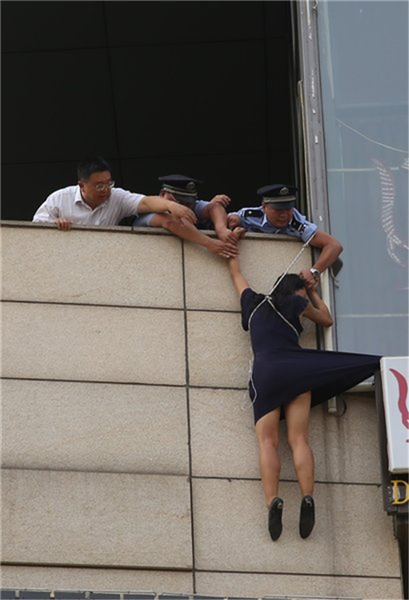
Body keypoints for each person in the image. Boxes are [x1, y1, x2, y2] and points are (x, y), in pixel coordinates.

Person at [227, 250, 381, 541]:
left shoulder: (253, 303)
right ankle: (307, 495)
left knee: (267, 441)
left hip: (267, 371)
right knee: (298, 439)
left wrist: (231, 246)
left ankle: (273, 500)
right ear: (294, 290)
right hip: (298, 370)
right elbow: (326, 320)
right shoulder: (296, 301)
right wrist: (312, 292)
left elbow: (236, 274)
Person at [32, 158, 197, 231]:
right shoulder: (60, 198)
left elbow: (146, 202)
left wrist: (171, 205)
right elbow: (35, 228)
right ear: (82, 185)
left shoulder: (116, 197)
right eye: (99, 185)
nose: (106, 189)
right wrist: (55, 223)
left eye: (109, 183)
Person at [227, 184, 343, 287]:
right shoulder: (250, 216)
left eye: (288, 209)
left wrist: (314, 272)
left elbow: (334, 246)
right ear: (264, 207)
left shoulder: (298, 224)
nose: (284, 215)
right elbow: (225, 221)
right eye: (278, 210)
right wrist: (234, 228)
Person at [131, 174, 239, 258]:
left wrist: (221, 229)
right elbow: (171, 222)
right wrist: (210, 243)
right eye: (179, 202)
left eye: (188, 204)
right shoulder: (151, 208)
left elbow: (214, 207)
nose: (184, 207)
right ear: (163, 194)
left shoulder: (190, 206)